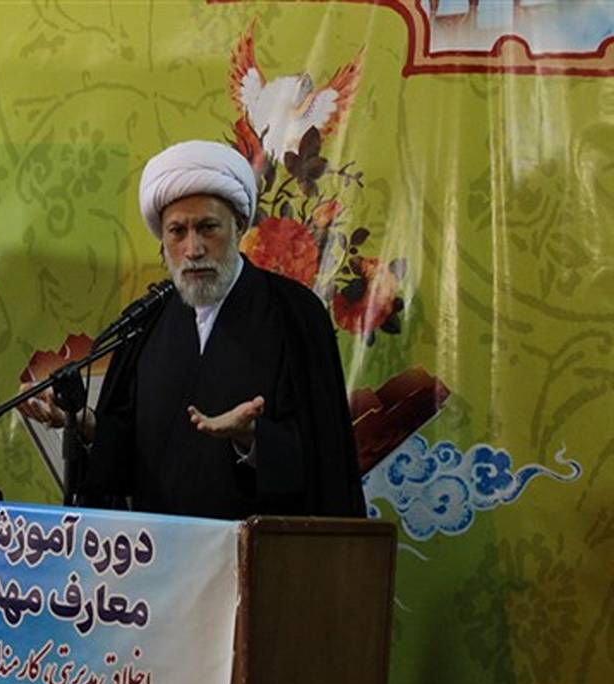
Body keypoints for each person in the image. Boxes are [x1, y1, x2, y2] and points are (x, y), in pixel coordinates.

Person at [21, 140, 364, 519]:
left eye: (207, 228)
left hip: (258, 547)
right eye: (177, 231)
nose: (193, 248)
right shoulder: (148, 321)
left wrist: (250, 437)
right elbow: (134, 459)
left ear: (239, 226)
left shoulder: (294, 314)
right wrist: (84, 424)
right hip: (161, 545)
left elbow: (324, 461)